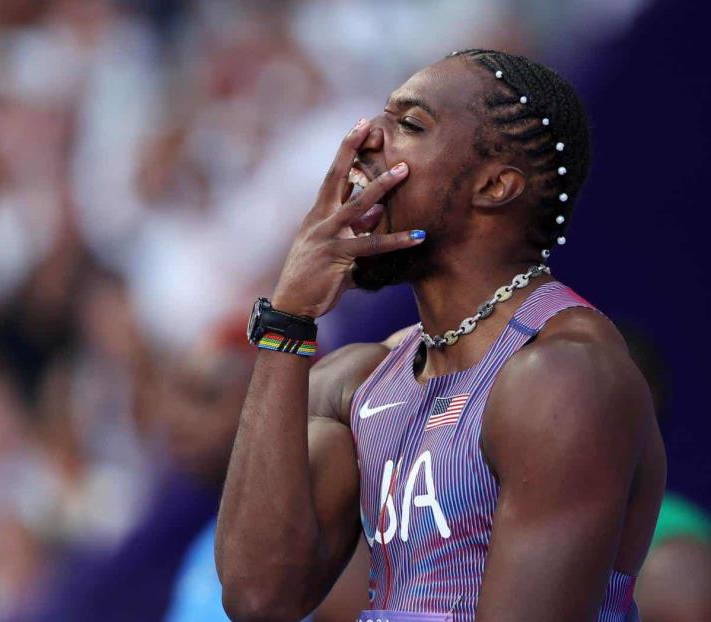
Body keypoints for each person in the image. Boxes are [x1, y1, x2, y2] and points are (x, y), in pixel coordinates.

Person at [216, 49, 666, 621]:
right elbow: (258, 598)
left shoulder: (563, 377)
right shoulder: (360, 380)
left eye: (409, 124)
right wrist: (287, 319)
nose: (365, 137)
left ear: (495, 185)